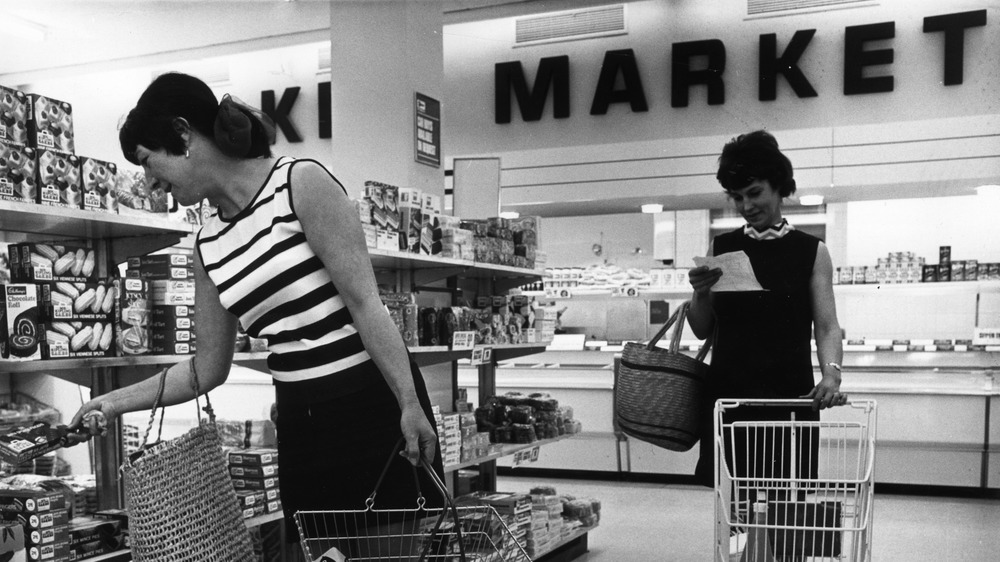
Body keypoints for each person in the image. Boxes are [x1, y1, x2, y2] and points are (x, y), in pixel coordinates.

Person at [67, 72, 443, 549]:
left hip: (371, 407)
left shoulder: (299, 184)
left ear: (183, 135)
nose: (149, 180)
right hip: (302, 426)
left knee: (391, 552)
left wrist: (409, 402)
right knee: (320, 554)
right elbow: (206, 369)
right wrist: (112, 402)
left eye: (147, 161)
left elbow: (367, 305)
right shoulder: (207, 243)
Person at [686, 130, 847, 493]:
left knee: (787, 511)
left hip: (789, 398)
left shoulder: (811, 251)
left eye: (754, 193)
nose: (745, 206)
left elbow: (826, 325)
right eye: (737, 197)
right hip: (730, 398)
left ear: (779, 186)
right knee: (736, 511)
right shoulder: (723, 246)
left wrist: (832, 375)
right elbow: (700, 328)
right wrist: (699, 294)